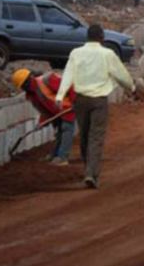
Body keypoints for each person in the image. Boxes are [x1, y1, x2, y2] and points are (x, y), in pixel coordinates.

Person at [56, 24, 136, 189]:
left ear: (87, 37)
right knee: (96, 137)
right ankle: (91, 174)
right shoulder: (107, 54)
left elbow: (68, 74)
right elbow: (121, 75)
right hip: (99, 101)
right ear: (102, 38)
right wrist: (131, 87)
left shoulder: (76, 53)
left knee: (84, 136)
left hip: (80, 100)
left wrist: (60, 95)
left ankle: (88, 170)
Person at [12, 68, 76, 165]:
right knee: (59, 133)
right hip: (55, 113)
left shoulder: (47, 80)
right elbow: (44, 111)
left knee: (66, 129)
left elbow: (69, 86)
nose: (26, 86)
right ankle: (55, 155)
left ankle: (62, 157)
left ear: (31, 77)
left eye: (26, 82)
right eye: (23, 86)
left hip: (67, 108)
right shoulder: (31, 95)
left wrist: (75, 101)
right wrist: (42, 122)